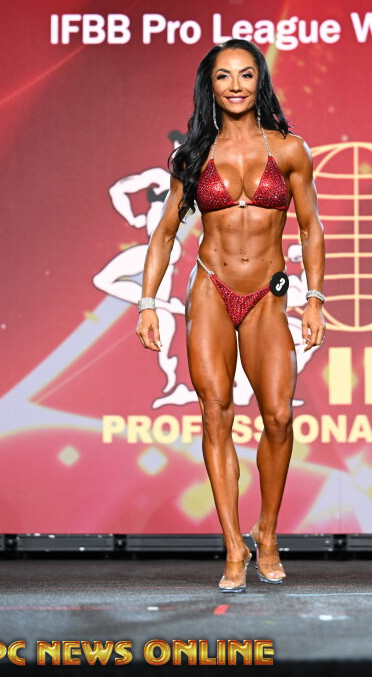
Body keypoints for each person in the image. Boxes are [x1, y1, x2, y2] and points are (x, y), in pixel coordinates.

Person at [136, 38, 326, 592]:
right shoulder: (193, 155)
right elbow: (165, 233)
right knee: (216, 414)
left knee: (279, 417)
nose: (236, 85)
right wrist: (147, 303)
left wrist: (316, 299)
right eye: (224, 76)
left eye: (246, 74)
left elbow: (310, 227)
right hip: (211, 290)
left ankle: (266, 532)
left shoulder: (289, 149)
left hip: (267, 294)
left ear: (259, 81)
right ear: (210, 86)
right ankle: (233, 547)